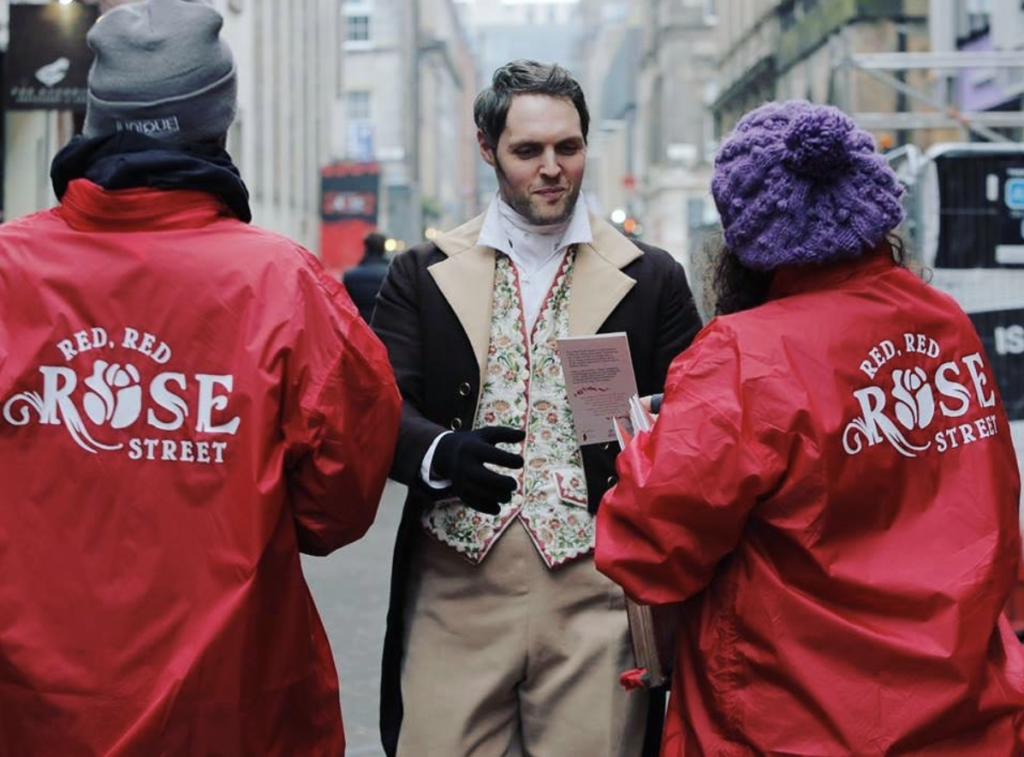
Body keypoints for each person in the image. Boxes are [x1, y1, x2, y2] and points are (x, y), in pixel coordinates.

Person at [0, 1, 401, 753]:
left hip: (32, 713)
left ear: (94, 122)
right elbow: (338, 505)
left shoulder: (8, 270)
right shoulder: (285, 284)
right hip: (232, 706)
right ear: (219, 125)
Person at [595, 100, 1024, 754]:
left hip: (794, 719)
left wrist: (647, 447)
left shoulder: (741, 357)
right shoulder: (944, 323)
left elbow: (649, 551)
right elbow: (989, 511)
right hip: (965, 713)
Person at [371, 59, 702, 757]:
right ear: (488, 148)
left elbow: (700, 420)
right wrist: (439, 452)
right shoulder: (422, 272)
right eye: (529, 151)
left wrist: (653, 425)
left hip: (598, 584)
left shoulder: (652, 276)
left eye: (569, 148)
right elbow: (377, 405)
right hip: (457, 583)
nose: (553, 168)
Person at [343, 230, 391, 322]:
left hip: (360, 327)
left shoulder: (350, 276)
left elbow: (347, 307)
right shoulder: (393, 275)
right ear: (384, 248)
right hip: (385, 327)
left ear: (366, 247)